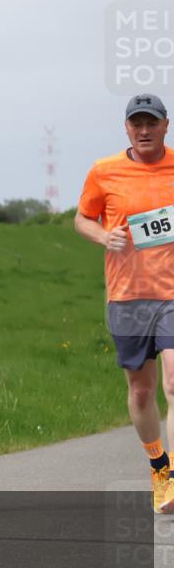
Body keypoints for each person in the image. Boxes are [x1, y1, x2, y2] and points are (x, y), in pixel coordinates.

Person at [74, 93, 174, 514]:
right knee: (141, 389)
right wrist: (103, 237)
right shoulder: (104, 171)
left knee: (173, 383)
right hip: (127, 296)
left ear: (166, 126)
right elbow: (82, 219)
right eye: (138, 123)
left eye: (152, 123)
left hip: (171, 293)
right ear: (127, 128)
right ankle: (160, 466)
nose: (145, 130)